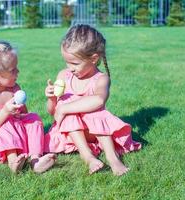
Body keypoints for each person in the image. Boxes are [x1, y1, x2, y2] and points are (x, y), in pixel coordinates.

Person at [44, 24, 141, 176]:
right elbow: (53, 113)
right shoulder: (64, 75)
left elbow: (99, 101)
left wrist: (65, 108)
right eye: (66, 62)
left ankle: (112, 157)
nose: (70, 68)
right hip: (72, 134)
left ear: (94, 59)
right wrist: (52, 99)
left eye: (75, 63)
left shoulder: (101, 79)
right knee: (66, 103)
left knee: (93, 109)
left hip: (95, 132)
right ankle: (87, 156)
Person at [0, 40, 56, 173]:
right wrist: (5, 111)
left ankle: (35, 160)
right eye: (12, 70)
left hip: (13, 131)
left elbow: (24, 115)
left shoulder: (14, 88)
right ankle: (13, 161)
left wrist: (20, 112)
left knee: (33, 117)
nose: (18, 71)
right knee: (6, 122)